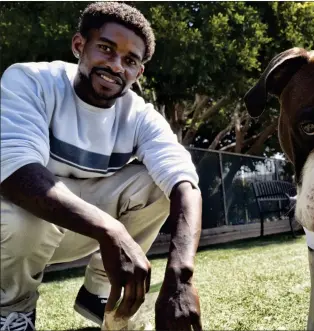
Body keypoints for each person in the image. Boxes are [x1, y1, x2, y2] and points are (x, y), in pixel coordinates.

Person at [0, 2, 203, 331]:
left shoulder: (138, 115)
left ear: (139, 73)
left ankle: (100, 293)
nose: (115, 65)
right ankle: (11, 310)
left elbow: (185, 184)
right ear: (79, 46)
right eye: (106, 49)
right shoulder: (31, 80)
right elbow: (13, 172)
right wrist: (110, 230)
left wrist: (181, 277)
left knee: (162, 185)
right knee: (25, 209)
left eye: (130, 60)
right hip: (17, 231)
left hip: (80, 230)